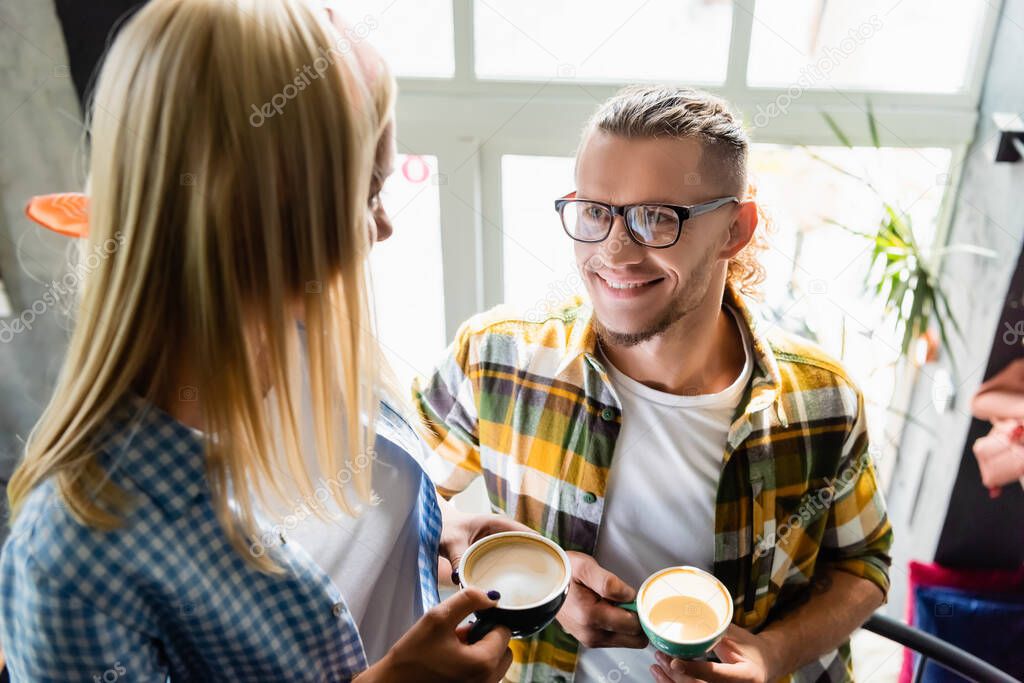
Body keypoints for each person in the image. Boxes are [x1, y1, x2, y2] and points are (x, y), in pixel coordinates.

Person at [0, 1, 514, 680]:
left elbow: (347, 524)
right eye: (367, 194)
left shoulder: (302, 338)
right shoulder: (70, 559)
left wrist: (430, 535)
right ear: (269, 220)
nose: (383, 227)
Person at [415, 85, 893, 683]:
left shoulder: (825, 400)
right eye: (594, 211)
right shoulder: (493, 357)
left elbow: (863, 565)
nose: (615, 250)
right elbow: (391, 516)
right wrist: (538, 582)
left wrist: (777, 654)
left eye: (655, 217)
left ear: (735, 229)